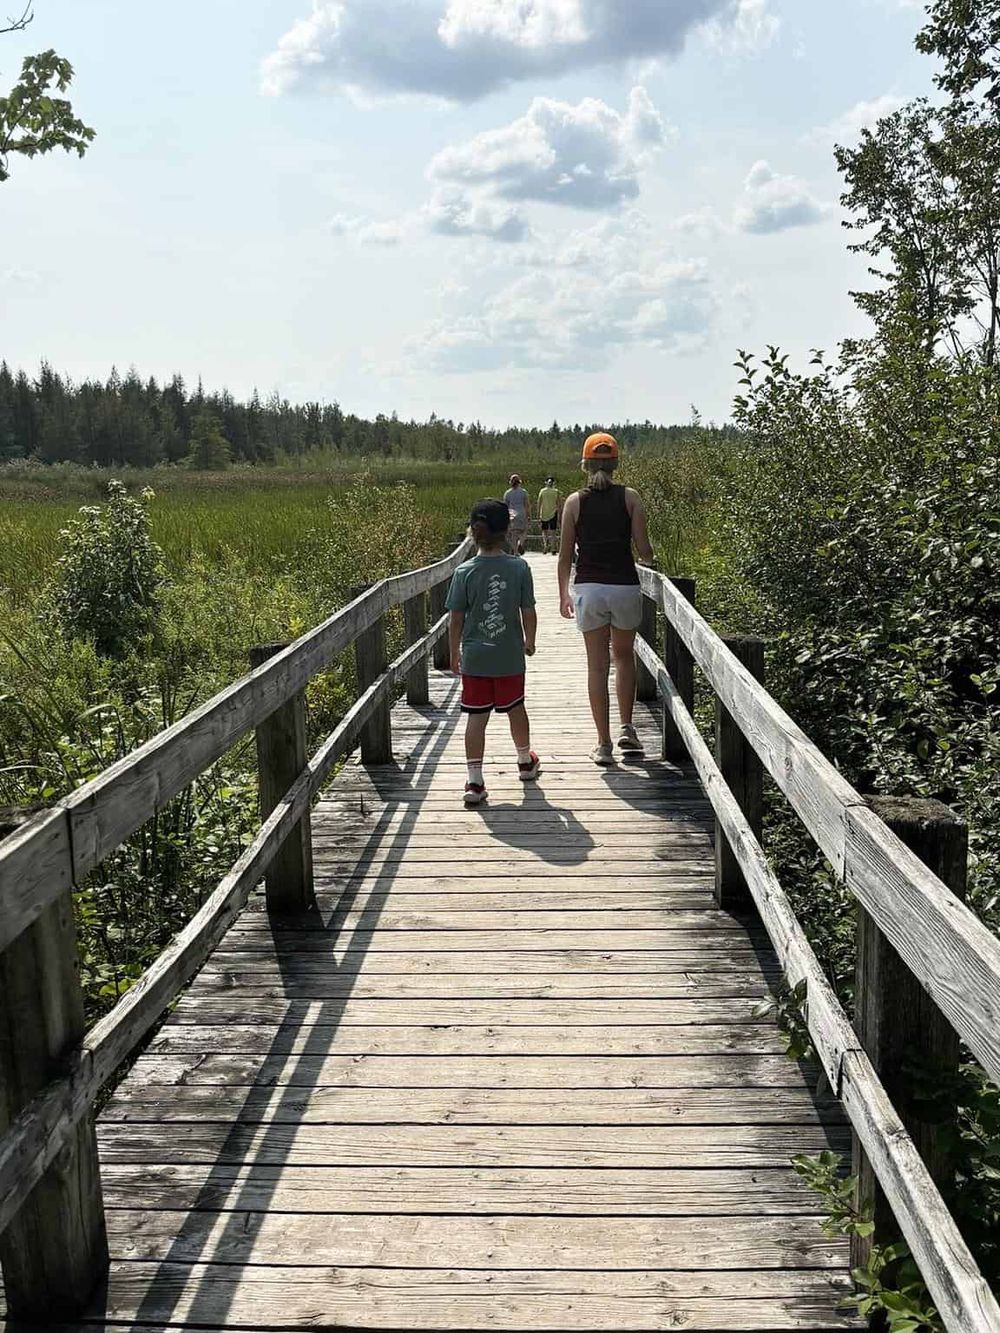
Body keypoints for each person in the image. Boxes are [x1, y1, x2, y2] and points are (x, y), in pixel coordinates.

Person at [557, 431, 655, 766]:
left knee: (597, 666)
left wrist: (562, 595)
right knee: (624, 657)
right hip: (624, 586)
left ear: (585, 464)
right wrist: (649, 558)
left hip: (589, 589)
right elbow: (644, 551)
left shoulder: (573, 502)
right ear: (615, 463)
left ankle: (603, 744)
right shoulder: (631, 498)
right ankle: (627, 726)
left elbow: (564, 555)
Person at [447, 498, 541, 806]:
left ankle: (475, 781)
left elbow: (456, 619)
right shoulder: (519, 567)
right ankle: (525, 761)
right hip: (509, 656)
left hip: (475, 657)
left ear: (472, 533)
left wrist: (454, 653)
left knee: (476, 717)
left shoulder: (463, 572)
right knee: (516, 708)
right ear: (508, 531)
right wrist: (530, 639)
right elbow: (528, 610)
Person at [503, 473, 530, 554]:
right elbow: (526, 505)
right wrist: (528, 516)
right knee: (524, 531)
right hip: (522, 513)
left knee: (514, 534)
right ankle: (520, 543)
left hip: (512, 514)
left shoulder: (507, 493)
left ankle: (515, 552)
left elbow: (505, 506)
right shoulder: (523, 492)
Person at [537, 476, 562, 554]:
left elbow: (539, 503)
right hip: (553, 513)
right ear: (553, 483)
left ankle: (545, 545)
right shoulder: (556, 491)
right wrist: (560, 515)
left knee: (544, 531)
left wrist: (538, 515)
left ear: (546, 482)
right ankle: (553, 548)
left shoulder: (542, 491)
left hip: (544, 514)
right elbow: (558, 504)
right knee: (553, 532)